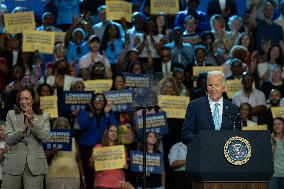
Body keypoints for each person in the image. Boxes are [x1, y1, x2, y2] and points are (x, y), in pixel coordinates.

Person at [2, 87, 50, 189]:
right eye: (21, 99)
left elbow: (46, 137)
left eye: (26, 98)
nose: (23, 102)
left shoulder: (44, 115)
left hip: (35, 166)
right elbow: (9, 140)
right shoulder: (11, 114)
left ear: (33, 99)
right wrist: (23, 128)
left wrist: (33, 122)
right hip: (13, 165)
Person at [182, 71, 241, 144]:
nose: (212, 89)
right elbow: (186, 134)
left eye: (216, 85)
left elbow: (238, 135)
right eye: (210, 85)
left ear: (224, 88)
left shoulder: (233, 109)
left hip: (225, 153)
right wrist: (200, 141)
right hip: (202, 152)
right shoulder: (194, 106)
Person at [90, 125, 126, 189]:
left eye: (116, 131)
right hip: (102, 184)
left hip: (118, 184)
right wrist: (95, 163)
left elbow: (125, 166)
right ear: (106, 133)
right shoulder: (98, 147)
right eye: (111, 131)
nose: (114, 133)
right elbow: (91, 166)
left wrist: (126, 166)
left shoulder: (121, 149)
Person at [269, 117, 284, 189]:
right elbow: (269, 157)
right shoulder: (270, 139)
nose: (276, 126)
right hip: (274, 175)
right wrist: (274, 142)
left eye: (279, 124)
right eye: (274, 125)